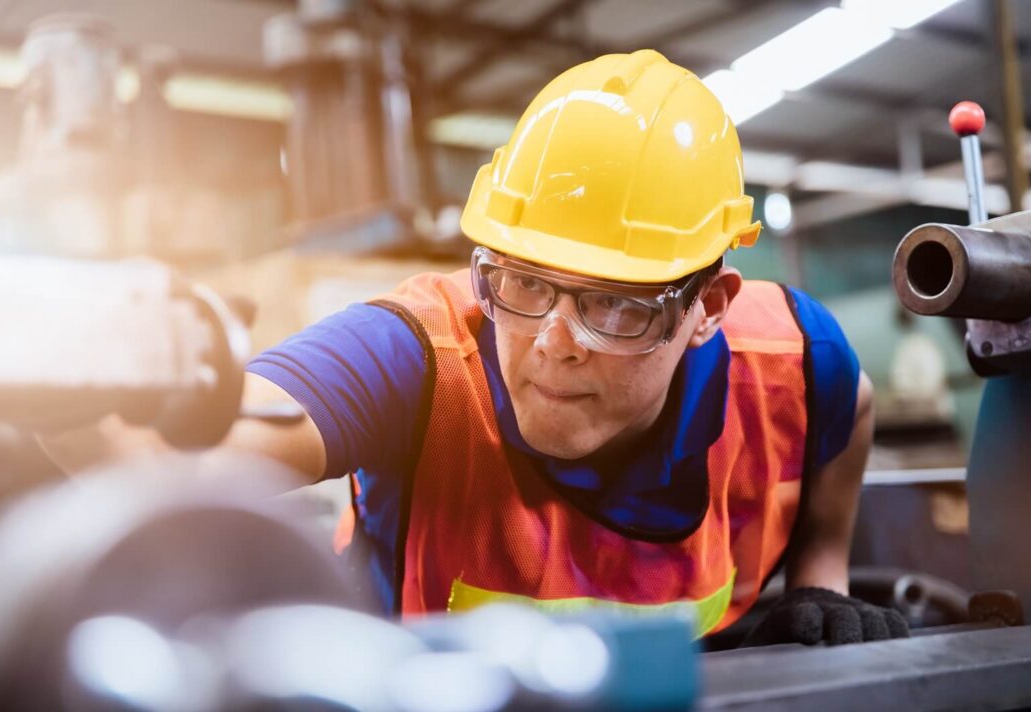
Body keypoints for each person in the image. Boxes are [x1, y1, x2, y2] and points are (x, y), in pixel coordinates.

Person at [51, 50, 908, 646]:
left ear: (709, 305)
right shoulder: (420, 359)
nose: (551, 343)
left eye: (614, 305)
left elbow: (854, 406)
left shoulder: (794, 363)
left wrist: (820, 576)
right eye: (525, 284)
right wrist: (64, 379)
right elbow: (187, 452)